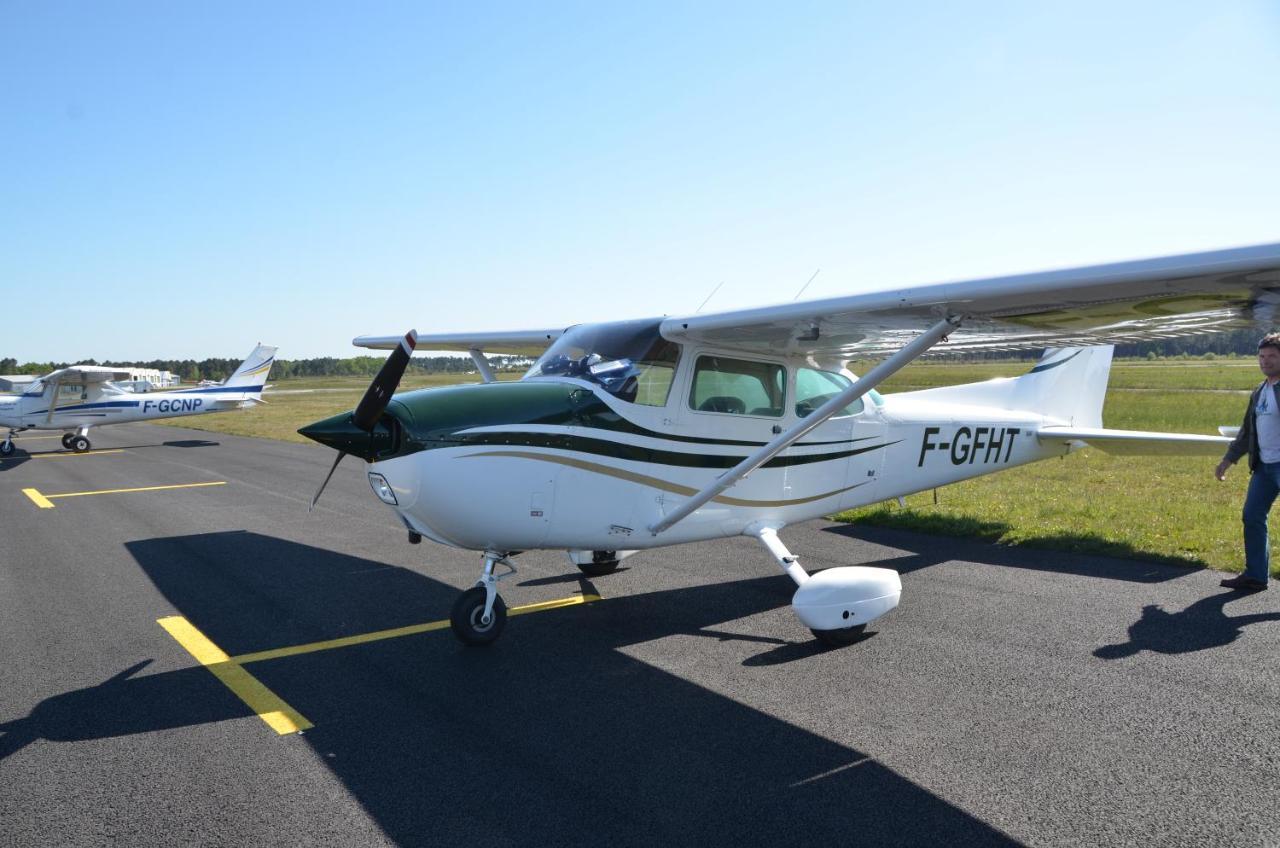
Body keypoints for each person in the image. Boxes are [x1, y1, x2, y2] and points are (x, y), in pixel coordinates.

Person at [1215, 333, 1280, 591]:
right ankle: (1255, 575)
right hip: (1264, 467)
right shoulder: (1260, 391)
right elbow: (1245, 432)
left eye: (1272, 356)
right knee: (1252, 516)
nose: (1266, 361)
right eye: (1262, 357)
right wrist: (1227, 461)